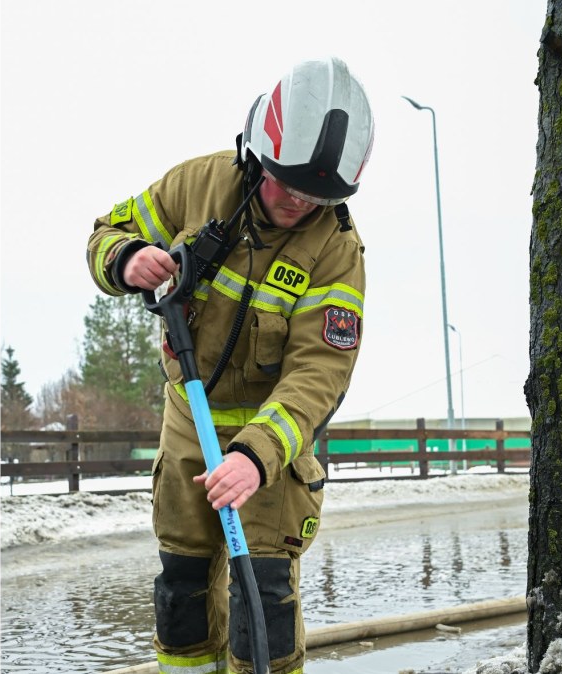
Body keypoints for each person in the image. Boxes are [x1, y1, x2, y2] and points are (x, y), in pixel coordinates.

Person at [85, 56, 373, 673]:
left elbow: (320, 374)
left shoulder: (337, 251)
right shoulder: (196, 186)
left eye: (314, 197)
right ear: (256, 154)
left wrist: (256, 454)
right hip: (190, 421)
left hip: (271, 447)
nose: (297, 204)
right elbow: (106, 231)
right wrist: (127, 258)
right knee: (182, 588)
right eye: (286, 186)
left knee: (262, 602)